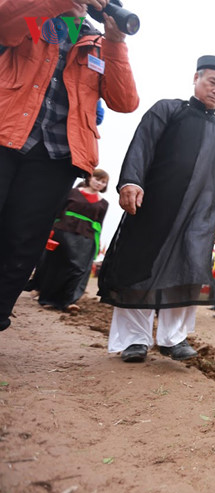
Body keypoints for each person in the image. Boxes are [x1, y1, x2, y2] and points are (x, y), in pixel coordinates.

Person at [0, 0, 139, 331]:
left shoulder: (97, 43)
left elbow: (125, 101)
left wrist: (116, 42)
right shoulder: (39, 19)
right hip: (5, 134)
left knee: (23, 241)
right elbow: (5, 23)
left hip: (56, 157)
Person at [99, 55, 215, 363]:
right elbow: (142, 145)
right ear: (196, 78)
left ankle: (174, 339)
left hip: (198, 216)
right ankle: (135, 340)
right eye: (212, 82)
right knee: (139, 266)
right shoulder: (167, 109)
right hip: (153, 205)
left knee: (188, 270)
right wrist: (131, 182)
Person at [27, 169, 109, 312]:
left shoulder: (104, 203)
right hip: (63, 231)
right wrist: (50, 230)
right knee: (56, 265)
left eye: (103, 182)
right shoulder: (72, 192)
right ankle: (49, 299)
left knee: (79, 269)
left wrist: (97, 242)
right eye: (97, 179)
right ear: (90, 178)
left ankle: (68, 301)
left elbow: (99, 224)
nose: (99, 183)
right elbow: (58, 212)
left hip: (87, 237)